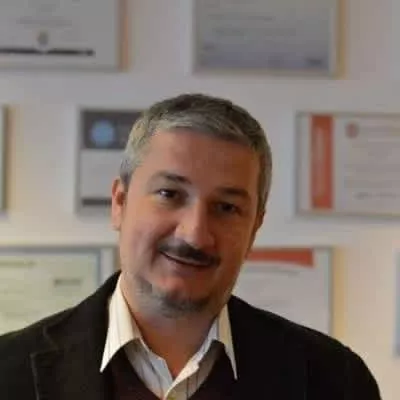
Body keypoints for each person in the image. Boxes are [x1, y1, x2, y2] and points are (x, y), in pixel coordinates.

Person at [0, 93, 381, 400]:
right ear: (119, 203)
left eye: (227, 208)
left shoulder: (336, 380)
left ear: (254, 228)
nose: (195, 235)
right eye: (170, 194)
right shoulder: (8, 373)